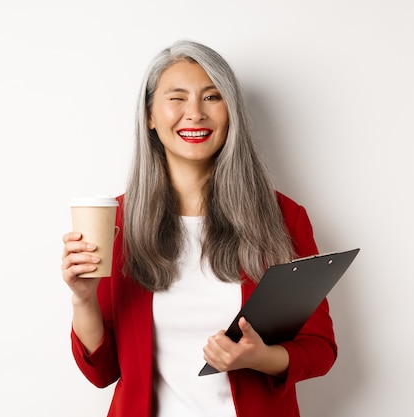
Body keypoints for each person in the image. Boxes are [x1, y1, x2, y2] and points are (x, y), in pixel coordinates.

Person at [61, 40, 337, 417]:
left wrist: (261, 357)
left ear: (231, 112)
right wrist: (83, 298)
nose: (195, 114)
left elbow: (320, 348)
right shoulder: (118, 222)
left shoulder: (282, 217)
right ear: (150, 116)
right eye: (177, 98)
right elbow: (102, 371)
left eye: (211, 97)